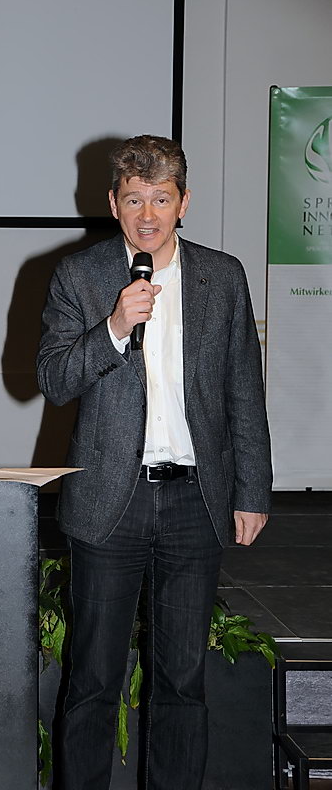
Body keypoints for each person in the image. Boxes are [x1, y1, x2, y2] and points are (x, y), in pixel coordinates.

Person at [36, 135, 272, 790]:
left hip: (195, 502)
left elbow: (243, 390)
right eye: (134, 199)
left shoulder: (222, 277)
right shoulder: (80, 276)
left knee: (182, 681)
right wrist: (113, 328)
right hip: (111, 503)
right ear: (113, 203)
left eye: (161, 199)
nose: (148, 215)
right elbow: (53, 379)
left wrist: (252, 490)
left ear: (183, 203)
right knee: (93, 679)